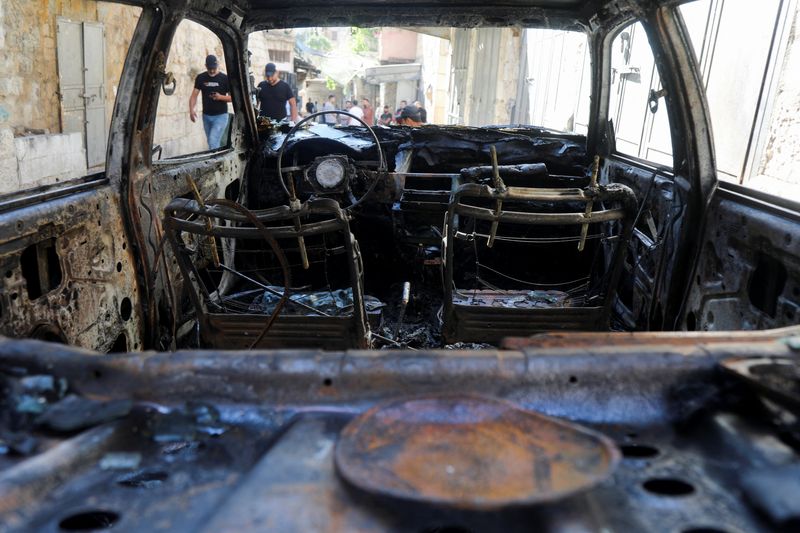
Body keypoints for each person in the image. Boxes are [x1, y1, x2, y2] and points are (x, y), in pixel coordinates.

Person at [189, 54, 231, 149]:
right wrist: (191, 110)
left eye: (214, 68)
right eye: (209, 68)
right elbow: (194, 96)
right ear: (206, 66)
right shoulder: (201, 78)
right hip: (206, 116)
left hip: (221, 116)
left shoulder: (225, 79)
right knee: (212, 143)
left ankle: (216, 163)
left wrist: (220, 97)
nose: (212, 71)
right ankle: (219, 161)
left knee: (213, 140)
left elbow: (232, 98)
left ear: (217, 65)